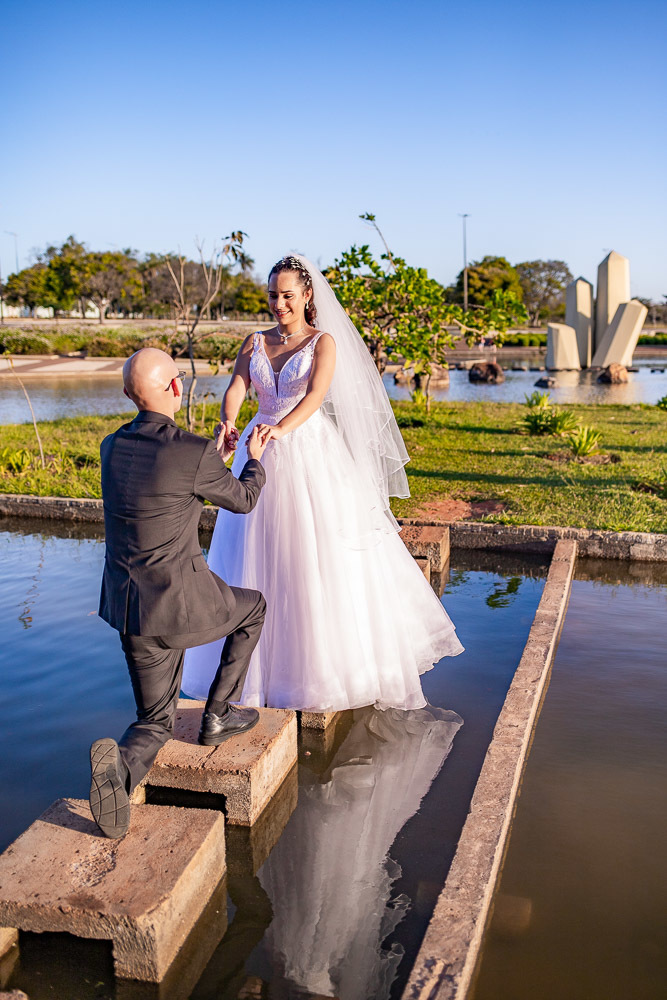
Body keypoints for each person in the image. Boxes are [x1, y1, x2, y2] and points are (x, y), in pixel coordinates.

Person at [182, 256, 463, 713]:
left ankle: (315, 673)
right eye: (273, 295)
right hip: (257, 446)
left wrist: (281, 429)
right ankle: (250, 673)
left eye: (287, 295)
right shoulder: (255, 341)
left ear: (307, 294)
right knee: (254, 551)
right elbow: (237, 384)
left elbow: (314, 396)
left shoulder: (323, 342)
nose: (279, 304)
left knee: (310, 553)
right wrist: (229, 421)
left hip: (306, 448)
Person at [90, 347, 268, 839]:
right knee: (253, 607)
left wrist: (214, 461)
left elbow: (168, 488)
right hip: (181, 607)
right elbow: (244, 500)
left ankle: (120, 771)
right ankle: (219, 714)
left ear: (128, 394)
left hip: (129, 610)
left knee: (155, 721)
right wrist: (251, 460)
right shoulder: (192, 452)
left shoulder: (111, 447)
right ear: (175, 387)